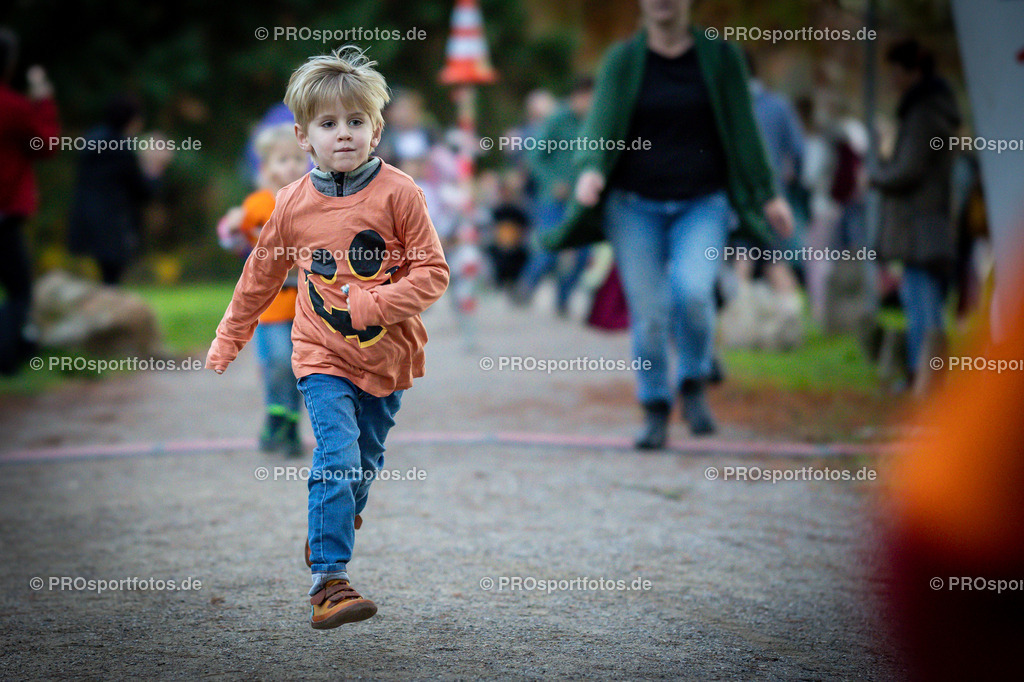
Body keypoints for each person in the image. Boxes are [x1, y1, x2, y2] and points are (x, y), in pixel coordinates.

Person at [206, 46, 449, 629]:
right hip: (320, 354)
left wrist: (377, 303)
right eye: (328, 124)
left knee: (361, 466)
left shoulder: (400, 194)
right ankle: (329, 582)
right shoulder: (291, 205)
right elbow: (258, 277)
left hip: (387, 358)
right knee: (336, 459)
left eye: (356, 121)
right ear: (303, 137)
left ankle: (327, 525)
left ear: (377, 128)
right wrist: (229, 337)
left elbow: (433, 273)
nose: (344, 134)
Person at [545, 0, 793, 449]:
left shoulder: (720, 57)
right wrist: (591, 171)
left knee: (693, 292)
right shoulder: (623, 59)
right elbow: (600, 125)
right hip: (633, 205)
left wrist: (768, 194)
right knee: (651, 311)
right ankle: (656, 406)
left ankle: (694, 380)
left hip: (703, 202)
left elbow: (744, 131)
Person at [872, 39, 960, 392]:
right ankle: (923, 374)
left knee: (921, 301)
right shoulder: (934, 109)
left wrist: (876, 174)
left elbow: (908, 169)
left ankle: (923, 376)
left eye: (897, 71)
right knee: (922, 298)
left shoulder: (923, 113)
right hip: (928, 221)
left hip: (920, 224)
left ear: (914, 71)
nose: (892, 79)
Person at [217, 123, 308, 457]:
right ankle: (275, 416)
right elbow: (231, 237)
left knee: (300, 365)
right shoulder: (258, 203)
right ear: (266, 168)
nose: (293, 167)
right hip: (269, 303)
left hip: (305, 302)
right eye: (283, 160)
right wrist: (230, 226)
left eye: (299, 159)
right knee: (279, 362)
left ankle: (289, 426)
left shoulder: (311, 199)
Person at [0, 28, 59, 375]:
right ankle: (7, 359)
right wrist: (43, 97)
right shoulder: (13, 107)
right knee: (20, 290)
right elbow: (47, 144)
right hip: (5, 212)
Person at [67, 95, 172, 285]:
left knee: (101, 278)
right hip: (110, 225)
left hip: (84, 218)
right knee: (111, 280)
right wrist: (155, 167)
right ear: (131, 120)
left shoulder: (92, 138)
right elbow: (141, 191)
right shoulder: (121, 148)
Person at [513, 77, 595, 317]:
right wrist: (552, 183)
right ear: (576, 96)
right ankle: (526, 286)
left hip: (582, 200)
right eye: (586, 97)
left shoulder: (596, 120)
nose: (590, 103)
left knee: (582, 254)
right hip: (553, 198)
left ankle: (563, 298)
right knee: (549, 247)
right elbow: (534, 158)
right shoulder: (557, 120)